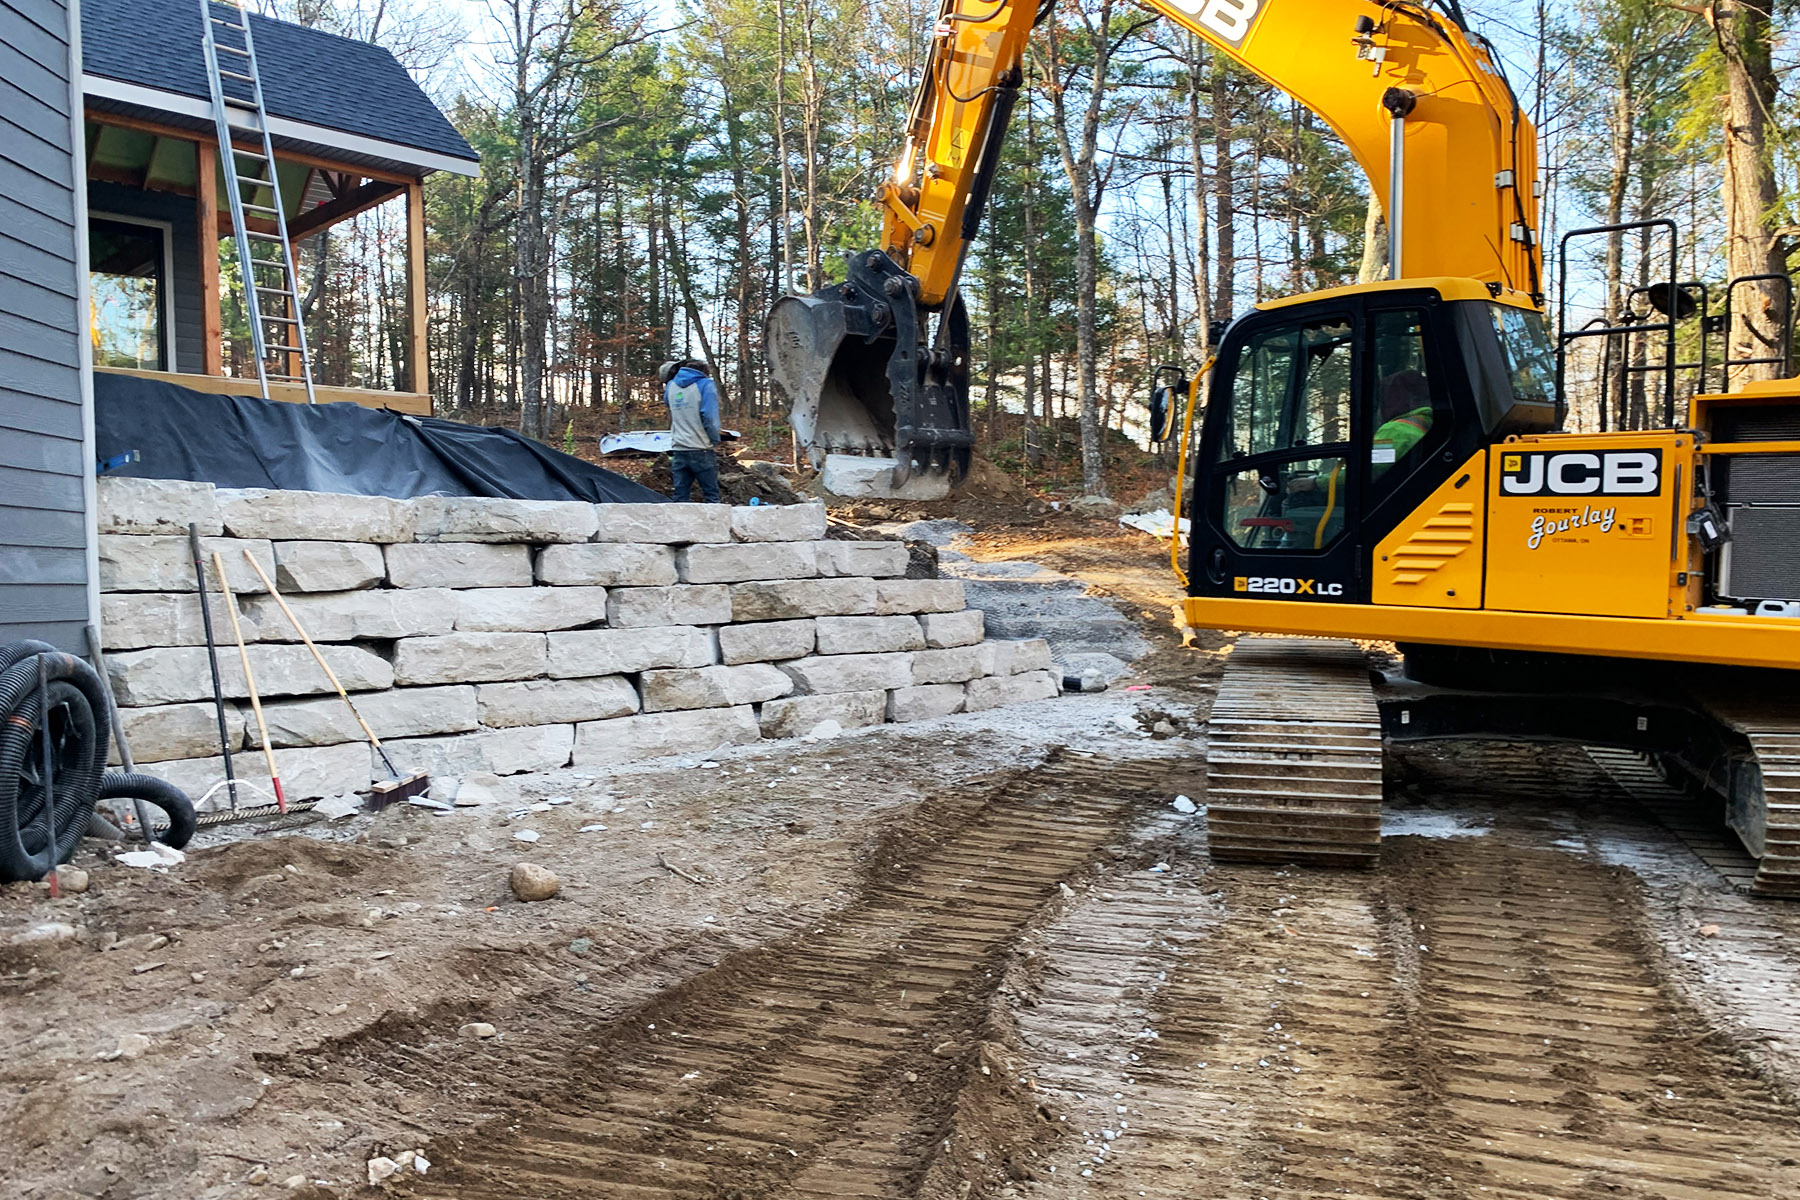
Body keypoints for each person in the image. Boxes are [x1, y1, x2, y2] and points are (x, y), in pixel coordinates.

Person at [660, 357, 722, 504]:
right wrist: (715, 439)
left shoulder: (671, 386)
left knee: (680, 498)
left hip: (679, 448)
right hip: (701, 448)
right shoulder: (706, 384)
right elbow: (709, 417)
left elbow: (672, 410)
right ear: (704, 371)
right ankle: (715, 526)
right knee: (711, 497)